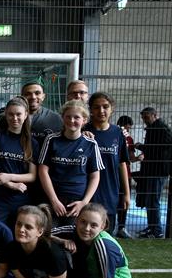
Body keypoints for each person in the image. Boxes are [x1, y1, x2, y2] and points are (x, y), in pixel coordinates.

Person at [38, 100, 103, 228]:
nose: (72, 120)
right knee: (50, 236)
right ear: (62, 118)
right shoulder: (51, 140)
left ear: (84, 120)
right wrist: (54, 200)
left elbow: (95, 176)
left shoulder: (90, 143)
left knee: (73, 239)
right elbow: (42, 171)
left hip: (77, 202)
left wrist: (84, 202)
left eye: (76, 117)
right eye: (68, 117)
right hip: (54, 199)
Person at [0, 96, 38, 227]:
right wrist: (10, 184)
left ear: (26, 115)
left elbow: (32, 176)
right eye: (11, 114)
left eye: (18, 114)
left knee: (19, 233)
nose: (14, 118)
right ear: (6, 115)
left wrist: (9, 177)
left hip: (21, 198)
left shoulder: (32, 143)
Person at [85, 92, 130, 232]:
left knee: (106, 236)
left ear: (112, 108)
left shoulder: (118, 133)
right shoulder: (82, 131)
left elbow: (122, 164)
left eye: (105, 106)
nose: (101, 111)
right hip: (86, 193)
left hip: (110, 193)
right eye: (96, 107)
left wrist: (127, 194)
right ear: (90, 110)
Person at [134, 107, 172, 238]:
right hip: (153, 169)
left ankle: (157, 230)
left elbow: (159, 147)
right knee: (151, 200)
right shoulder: (156, 128)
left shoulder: (161, 128)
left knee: (153, 200)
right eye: (143, 117)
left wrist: (141, 147)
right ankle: (153, 228)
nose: (144, 120)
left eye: (146, 117)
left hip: (157, 170)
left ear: (155, 115)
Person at [116, 115, 142, 238]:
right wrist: (139, 158)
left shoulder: (113, 135)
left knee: (118, 200)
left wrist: (137, 158)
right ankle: (121, 227)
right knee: (122, 201)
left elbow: (130, 158)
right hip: (123, 173)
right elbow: (131, 158)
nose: (128, 130)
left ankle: (116, 227)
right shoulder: (128, 138)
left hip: (116, 174)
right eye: (128, 128)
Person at [21, 82, 63, 148]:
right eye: (28, 94)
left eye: (37, 93)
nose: (33, 97)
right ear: (22, 97)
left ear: (43, 96)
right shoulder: (13, 117)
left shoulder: (55, 119)